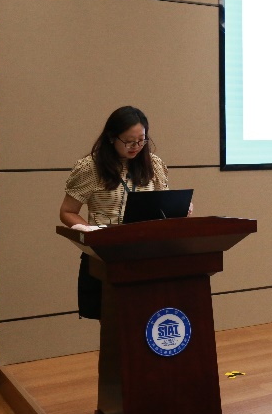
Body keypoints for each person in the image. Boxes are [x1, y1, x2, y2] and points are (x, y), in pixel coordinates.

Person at [59, 105, 181, 319]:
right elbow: (67, 212)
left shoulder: (153, 164)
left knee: (149, 320)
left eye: (141, 140)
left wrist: (179, 208)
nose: (136, 147)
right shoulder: (91, 167)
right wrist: (92, 232)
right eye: (129, 141)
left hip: (147, 253)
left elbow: (162, 205)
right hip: (106, 254)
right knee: (115, 323)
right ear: (111, 137)